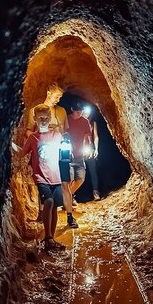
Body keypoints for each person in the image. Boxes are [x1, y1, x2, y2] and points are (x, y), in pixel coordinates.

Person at [17, 104, 66, 250]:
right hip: (41, 177)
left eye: (46, 118)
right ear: (35, 119)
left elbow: (65, 153)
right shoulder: (33, 138)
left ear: (50, 118)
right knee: (49, 202)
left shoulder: (57, 136)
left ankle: (52, 238)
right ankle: (48, 237)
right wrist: (11, 146)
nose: (44, 120)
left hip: (56, 176)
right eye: (40, 118)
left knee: (55, 207)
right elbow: (22, 153)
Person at [25, 83, 69, 222]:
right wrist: (38, 138)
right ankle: (42, 212)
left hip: (59, 153)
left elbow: (66, 131)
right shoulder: (35, 111)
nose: (58, 100)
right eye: (56, 96)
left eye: (60, 97)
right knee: (43, 182)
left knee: (63, 182)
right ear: (48, 92)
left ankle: (68, 215)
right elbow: (28, 130)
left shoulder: (61, 111)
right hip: (42, 152)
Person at [62, 101, 92, 227]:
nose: (79, 113)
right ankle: (67, 202)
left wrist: (89, 147)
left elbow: (87, 136)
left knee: (81, 178)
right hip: (68, 156)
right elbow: (62, 134)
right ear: (72, 109)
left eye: (80, 111)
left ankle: (70, 197)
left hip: (80, 156)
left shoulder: (85, 121)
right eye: (77, 111)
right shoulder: (67, 120)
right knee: (69, 180)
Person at [83, 105, 101, 200]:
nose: (86, 114)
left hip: (90, 148)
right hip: (79, 148)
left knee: (93, 170)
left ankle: (95, 191)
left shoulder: (92, 123)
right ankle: (73, 195)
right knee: (77, 172)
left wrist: (96, 149)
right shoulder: (78, 123)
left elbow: (96, 136)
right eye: (84, 112)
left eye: (88, 112)